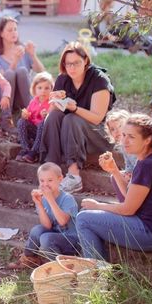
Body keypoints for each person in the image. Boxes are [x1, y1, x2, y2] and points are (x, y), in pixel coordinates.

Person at [75, 115, 152, 261]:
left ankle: (97, 275)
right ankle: (97, 267)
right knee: (89, 214)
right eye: (123, 134)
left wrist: (98, 205)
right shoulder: (149, 158)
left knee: (83, 219)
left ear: (148, 140)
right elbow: (129, 197)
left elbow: (127, 209)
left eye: (131, 136)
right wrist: (114, 171)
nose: (124, 141)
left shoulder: (148, 165)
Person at [39, 42, 115, 193]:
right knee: (54, 116)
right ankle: (51, 170)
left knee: (71, 118)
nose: (72, 68)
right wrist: (55, 101)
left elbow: (97, 118)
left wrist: (74, 108)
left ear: (86, 60)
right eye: (68, 64)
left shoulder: (99, 80)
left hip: (97, 134)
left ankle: (74, 177)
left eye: (76, 63)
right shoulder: (63, 79)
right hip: (70, 133)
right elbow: (53, 113)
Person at [7, 163, 80, 269]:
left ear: (60, 179)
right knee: (37, 230)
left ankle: (59, 268)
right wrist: (40, 204)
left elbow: (62, 221)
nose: (45, 184)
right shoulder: (44, 198)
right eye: (42, 181)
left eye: (50, 180)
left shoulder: (67, 199)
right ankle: (30, 258)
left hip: (72, 240)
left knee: (46, 238)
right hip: (56, 236)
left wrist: (50, 199)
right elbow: (47, 226)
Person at [0, 16, 45, 132]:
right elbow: (1, 80)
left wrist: (32, 55)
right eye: (10, 30)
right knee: (10, 73)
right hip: (4, 98)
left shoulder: (22, 49)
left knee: (22, 71)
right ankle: (6, 121)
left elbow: (42, 72)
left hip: (21, 97)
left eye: (15, 29)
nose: (14, 33)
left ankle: (32, 115)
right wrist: (15, 61)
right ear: (1, 33)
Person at [15, 71, 53, 163]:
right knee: (21, 121)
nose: (43, 91)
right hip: (34, 131)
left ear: (52, 89)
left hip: (45, 133)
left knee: (43, 123)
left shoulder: (51, 102)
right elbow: (28, 116)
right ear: (35, 89)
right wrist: (25, 115)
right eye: (40, 88)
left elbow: (52, 119)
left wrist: (47, 115)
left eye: (47, 88)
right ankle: (26, 149)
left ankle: (34, 152)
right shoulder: (33, 101)